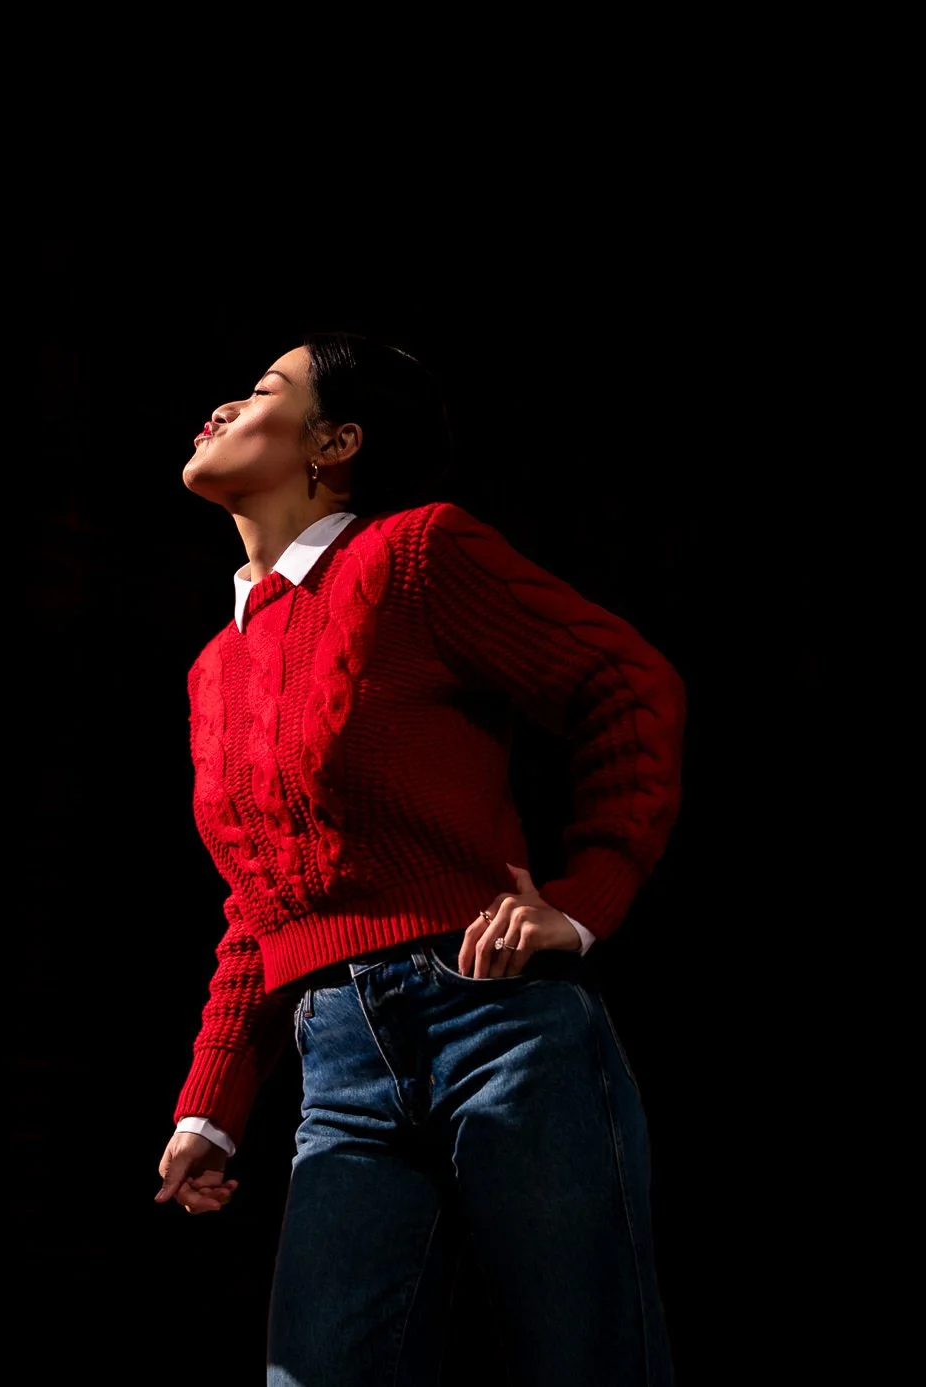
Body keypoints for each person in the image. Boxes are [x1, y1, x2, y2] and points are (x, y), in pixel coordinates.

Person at [151, 334, 685, 1386]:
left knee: (587, 1364)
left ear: (336, 442)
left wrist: (585, 900)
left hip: (498, 1025)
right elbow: (257, 898)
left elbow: (627, 682)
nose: (216, 405)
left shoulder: (414, 557)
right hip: (337, 1066)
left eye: (261, 391)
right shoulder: (215, 666)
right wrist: (211, 1101)